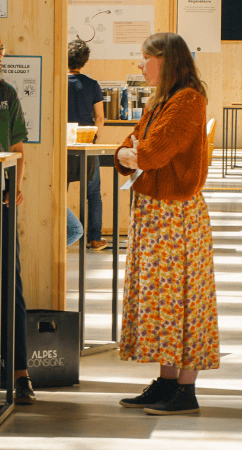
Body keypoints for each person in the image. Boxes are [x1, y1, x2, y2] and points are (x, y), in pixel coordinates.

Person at [114, 32, 219, 416]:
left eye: (146, 58)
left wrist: (135, 154)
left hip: (175, 217)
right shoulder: (162, 101)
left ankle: (185, 390)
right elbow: (129, 146)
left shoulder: (188, 100)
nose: (140, 65)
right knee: (161, 301)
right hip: (156, 215)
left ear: (166, 60)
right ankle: (167, 381)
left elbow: (153, 152)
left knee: (184, 300)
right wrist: (131, 153)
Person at [0, 31, 36, 405]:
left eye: (0, 49)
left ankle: (20, 373)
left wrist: (15, 185)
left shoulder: (6, 93)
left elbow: (18, 146)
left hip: (2, 202)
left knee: (12, 283)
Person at [67, 39, 107, 250]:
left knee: (59, 191)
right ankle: (95, 238)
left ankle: (60, 237)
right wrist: (93, 137)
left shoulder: (58, 83)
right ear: (84, 61)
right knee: (93, 193)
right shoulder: (92, 84)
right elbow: (100, 117)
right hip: (86, 145)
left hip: (64, 146)